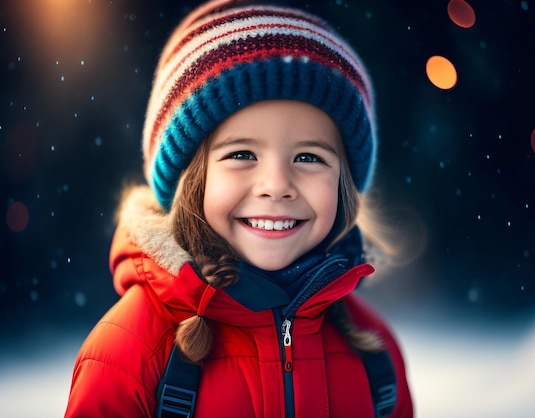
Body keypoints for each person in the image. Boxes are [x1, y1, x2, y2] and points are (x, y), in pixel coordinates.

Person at [65, 0, 414, 416]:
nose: (276, 186)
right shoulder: (129, 355)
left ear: (344, 183)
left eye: (308, 157)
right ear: (191, 178)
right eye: (242, 154)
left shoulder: (375, 351)